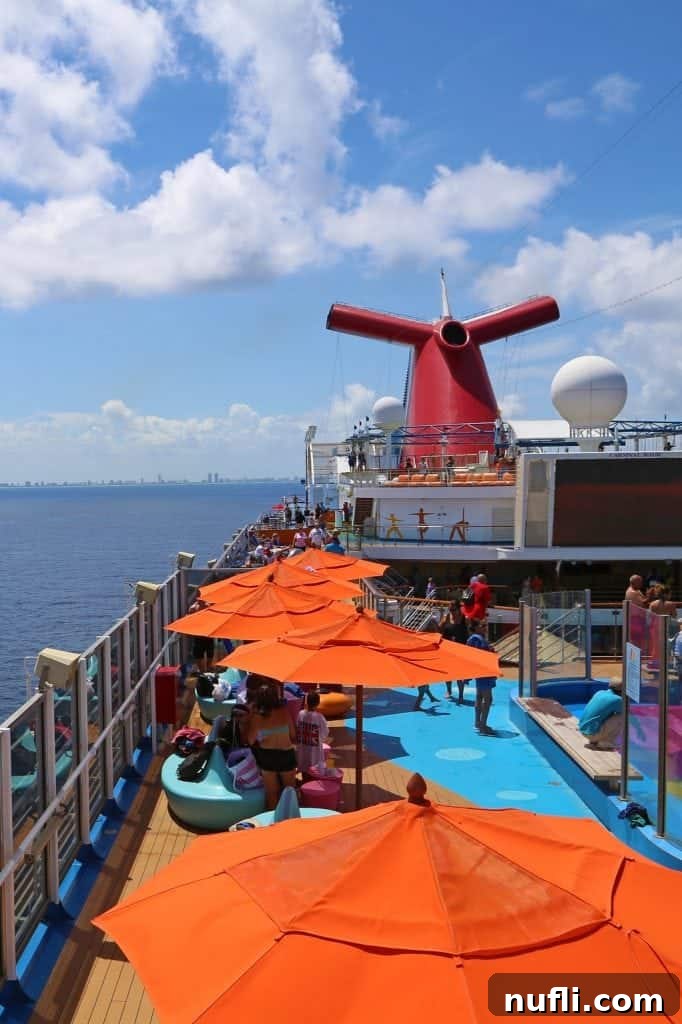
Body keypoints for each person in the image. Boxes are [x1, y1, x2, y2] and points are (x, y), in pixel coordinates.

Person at [244, 680, 297, 810]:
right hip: (286, 755)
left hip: (267, 756)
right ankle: (290, 820)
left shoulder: (256, 718)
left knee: (271, 793)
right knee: (289, 792)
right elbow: (293, 736)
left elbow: (249, 741)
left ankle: (273, 823)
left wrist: (248, 720)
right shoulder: (284, 712)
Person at [467, 620, 496, 734]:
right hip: (484, 673)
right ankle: (483, 725)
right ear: (476, 627)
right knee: (487, 699)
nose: (485, 627)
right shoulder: (477, 639)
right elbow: (480, 655)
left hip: (480, 672)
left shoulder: (474, 639)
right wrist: (491, 651)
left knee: (479, 697)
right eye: (482, 625)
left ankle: (478, 722)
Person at [578, 680, 623, 751]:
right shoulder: (617, 699)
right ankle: (605, 743)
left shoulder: (599, 692)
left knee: (607, 714)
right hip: (592, 734)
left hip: (583, 730)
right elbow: (628, 713)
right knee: (622, 717)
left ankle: (595, 741)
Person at [439, 605, 469, 703]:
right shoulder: (446, 617)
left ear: (458, 609)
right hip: (448, 649)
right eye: (450, 609)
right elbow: (440, 629)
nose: (451, 611)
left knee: (459, 674)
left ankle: (461, 695)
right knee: (448, 673)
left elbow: (469, 632)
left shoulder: (465, 619)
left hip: (460, 650)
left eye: (453, 609)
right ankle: (449, 690)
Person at [295, 691, 330, 772]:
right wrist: (320, 739)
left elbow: (297, 727)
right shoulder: (319, 717)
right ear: (318, 703)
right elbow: (325, 732)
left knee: (303, 765)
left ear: (307, 702)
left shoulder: (300, 714)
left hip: (302, 746)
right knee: (314, 769)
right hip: (314, 749)